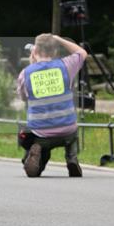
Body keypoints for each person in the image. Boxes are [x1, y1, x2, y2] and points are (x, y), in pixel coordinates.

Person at [17, 33, 87, 177]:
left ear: (35, 51)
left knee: (29, 136)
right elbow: (82, 52)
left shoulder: (26, 73)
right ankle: (71, 157)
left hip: (41, 133)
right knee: (72, 134)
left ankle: (33, 157)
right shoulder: (66, 66)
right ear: (55, 51)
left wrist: (33, 65)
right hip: (67, 130)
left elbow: (24, 98)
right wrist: (59, 39)